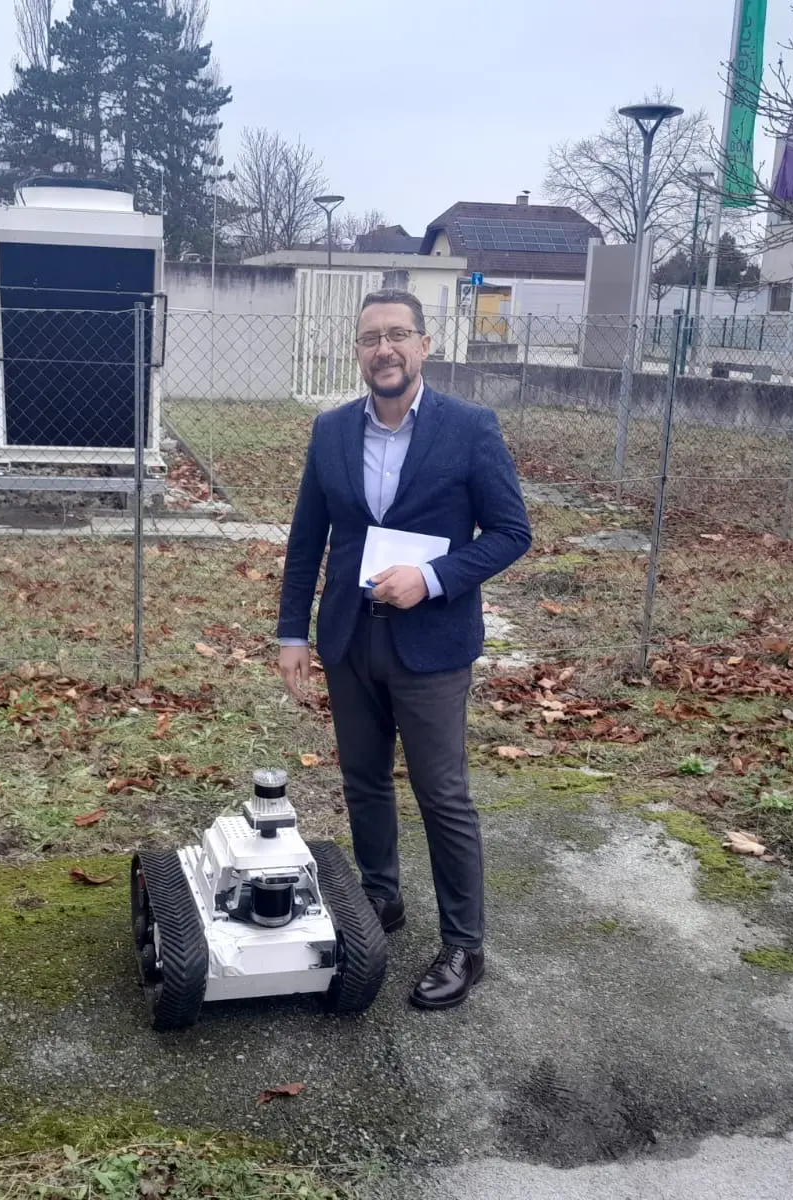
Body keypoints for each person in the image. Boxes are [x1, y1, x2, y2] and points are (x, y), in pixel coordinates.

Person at [276, 288, 532, 1011]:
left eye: (397, 335)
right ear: (357, 351)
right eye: (370, 339)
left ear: (424, 345)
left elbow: (512, 532)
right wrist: (292, 632)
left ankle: (464, 945)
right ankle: (379, 899)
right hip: (350, 638)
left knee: (442, 794)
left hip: (432, 644)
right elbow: (307, 539)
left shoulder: (470, 428)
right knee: (363, 780)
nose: (383, 349)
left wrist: (432, 577)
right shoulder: (331, 431)